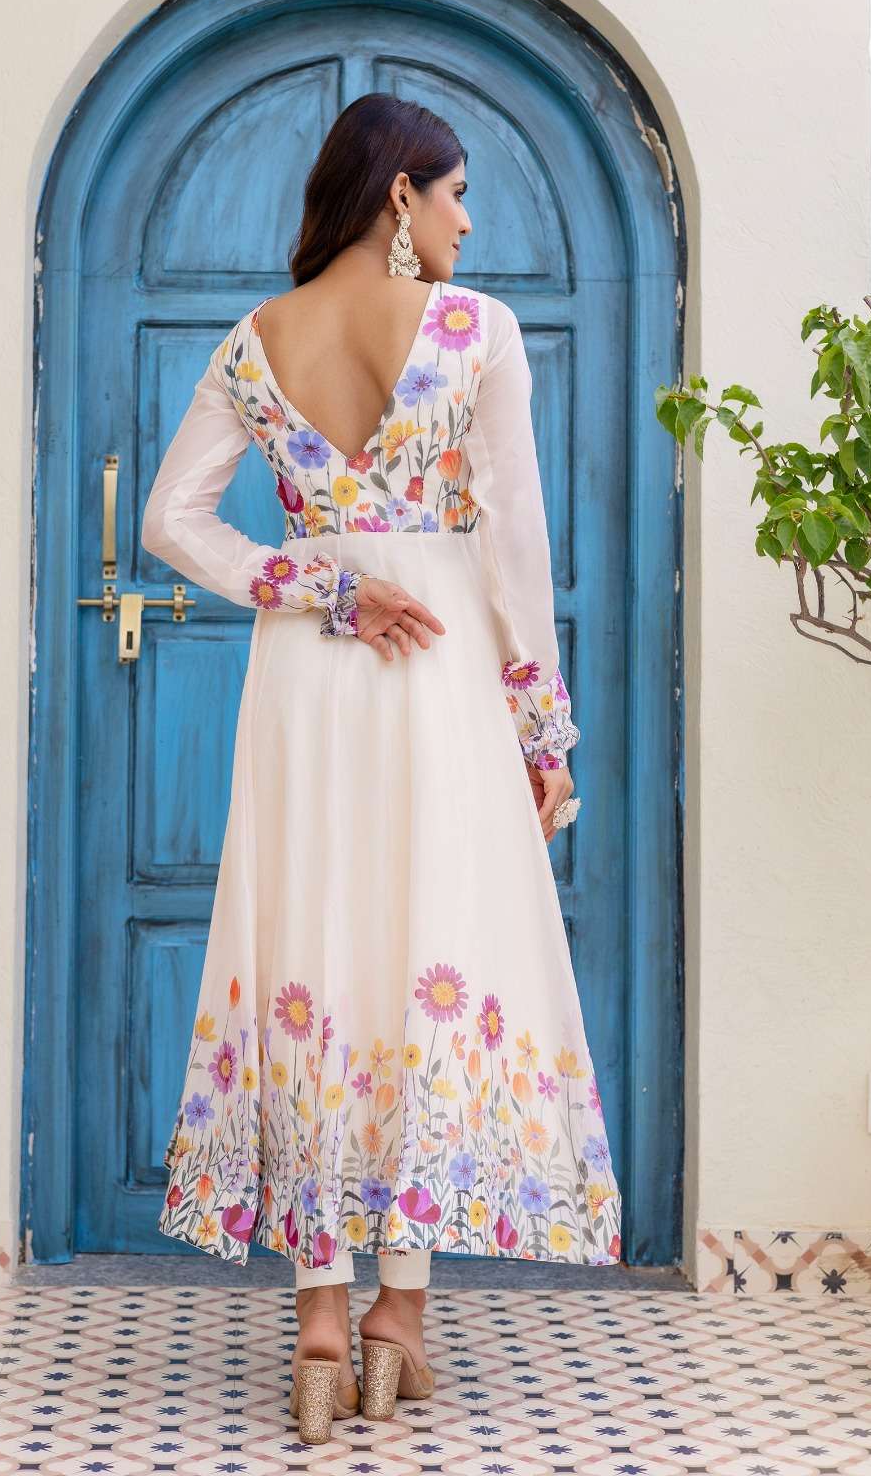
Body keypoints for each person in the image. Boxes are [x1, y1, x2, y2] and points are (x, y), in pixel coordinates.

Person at [141, 93, 622, 1445]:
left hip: (310, 675)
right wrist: (542, 729)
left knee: (318, 948)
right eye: (457, 192)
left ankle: (316, 1324)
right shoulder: (475, 331)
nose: (469, 221)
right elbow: (515, 542)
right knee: (428, 947)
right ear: (400, 192)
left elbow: (173, 519)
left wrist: (318, 584)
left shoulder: (259, 338)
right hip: (440, 673)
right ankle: (397, 1320)